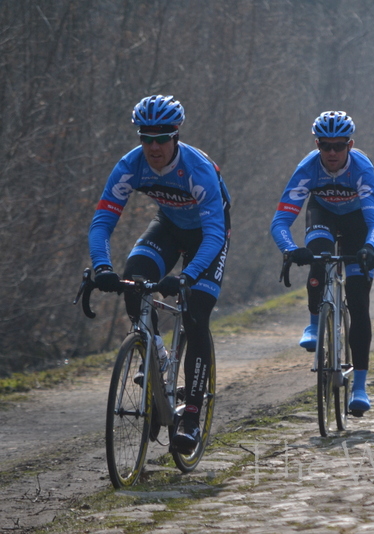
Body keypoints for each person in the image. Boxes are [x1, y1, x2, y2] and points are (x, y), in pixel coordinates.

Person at [89, 95, 232, 454]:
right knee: (134, 279)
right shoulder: (131, 165)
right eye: (145, 137)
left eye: (161, 137)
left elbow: (215, 233)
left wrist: (187, 276)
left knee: (196, 314)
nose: (153, 146)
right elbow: (103, 221)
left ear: (176, 135)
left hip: (208, 236)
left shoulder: (196, 169)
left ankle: (192, 418)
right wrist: (102, 266)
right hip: (167, 227)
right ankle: (157, 355)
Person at [270, 111, 374, 416]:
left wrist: (370, 247)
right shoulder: (308, 168)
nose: (331, 153)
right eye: (325, 146)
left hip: (357, 224)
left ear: (350, 144)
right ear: (317, 144)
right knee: (317, 255)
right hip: (322, 215)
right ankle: (313, 324)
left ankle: (359, 387)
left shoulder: (362, 168)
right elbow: (280, 220)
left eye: (338, 146)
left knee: (359, 302)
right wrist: (291, 249)